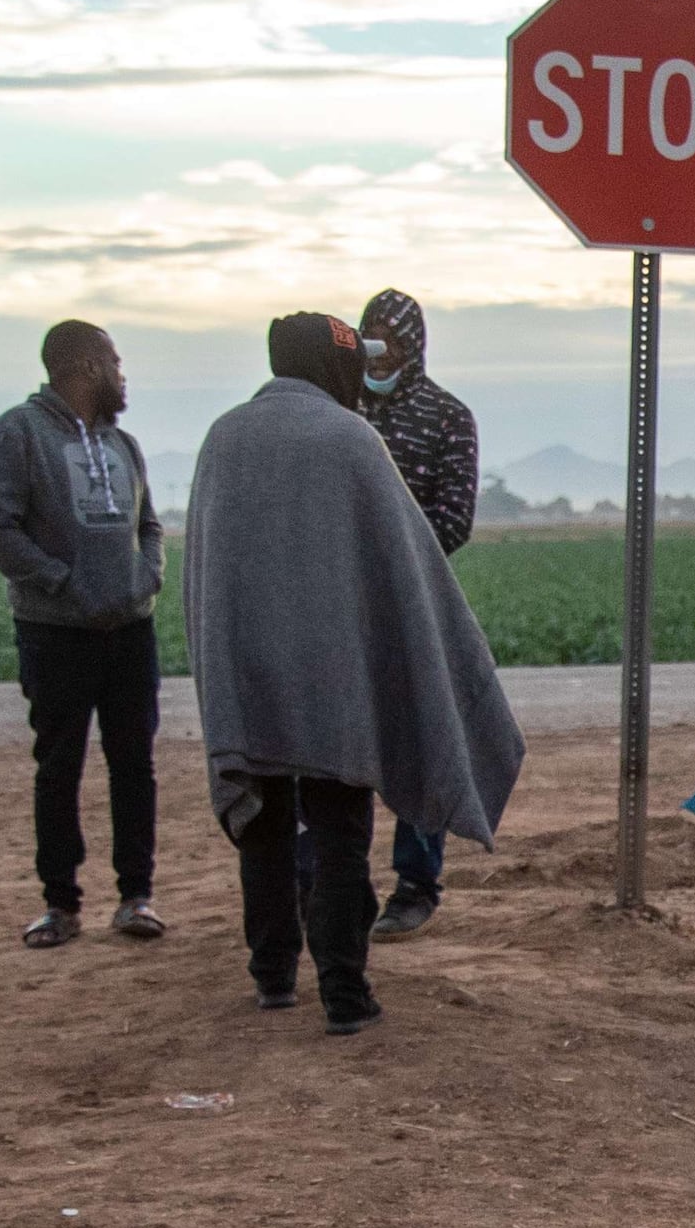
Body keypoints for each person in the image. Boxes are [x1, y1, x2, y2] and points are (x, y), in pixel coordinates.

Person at [180, 312, 524, 1035]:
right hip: (334, 680)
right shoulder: (350, 439)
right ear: (335, 366)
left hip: (249, 675)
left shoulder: (223, 438)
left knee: (266, 829)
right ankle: (344, 993)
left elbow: (204, 569)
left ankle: (272, 977)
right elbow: (409, 564)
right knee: (340, 833)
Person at [0, 319, 167, 949]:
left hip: (129, 632)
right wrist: (60, 582)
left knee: (134, 764)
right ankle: (61, 905)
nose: (123, 373)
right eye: (115, 361)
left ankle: (136, 897)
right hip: (55, 633)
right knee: (59, 766)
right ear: (86, 367)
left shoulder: (124, 444)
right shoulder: (18, 433)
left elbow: (149, 526)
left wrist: (144, 580)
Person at [353, 289, 479, 940]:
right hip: (345, 609)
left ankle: (415, 885)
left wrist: (387, 554)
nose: (379, 354)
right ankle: (341, 884)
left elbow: (454, 520)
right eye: (369, 339)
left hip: (417, 606)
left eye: (390, 342)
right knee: (344, 745)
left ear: (414, 346)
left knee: (420, 744)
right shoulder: (340, 411)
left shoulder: (447, 417)